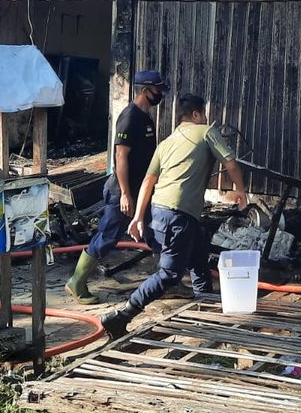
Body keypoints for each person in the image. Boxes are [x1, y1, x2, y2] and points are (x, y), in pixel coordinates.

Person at [99, 93, 248, 337]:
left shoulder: (165, 144)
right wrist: (241, 191)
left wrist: (138, 217)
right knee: (169, 274)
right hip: (179, 215)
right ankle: (123, 315)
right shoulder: (206, 131)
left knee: (199, 257)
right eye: (204, 115)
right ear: (197, 114)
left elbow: (149, 180)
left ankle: (206, 311)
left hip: (159, 211)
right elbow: (230, 163)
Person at [65, 69, 167, 302]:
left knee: (156, 233)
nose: (160, 93)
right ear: (145, 91)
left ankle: (168, 281)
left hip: (142, 191)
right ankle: (76, 282)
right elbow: (120, 158)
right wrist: (125, 194)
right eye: (158, 89)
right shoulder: (130, 117)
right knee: (108, 236)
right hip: (123, 192)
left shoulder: (145, 117)